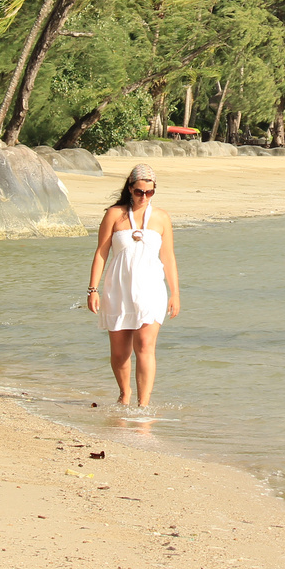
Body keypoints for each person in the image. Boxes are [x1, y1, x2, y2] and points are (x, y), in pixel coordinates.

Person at [86, 163, 180, 406]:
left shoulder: (161, 217)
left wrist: (175, 294)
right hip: (118, 289)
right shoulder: (114, 215)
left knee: (145, 346)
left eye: (149, 192)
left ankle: (144, 404)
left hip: (151, 290)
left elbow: (168, 257)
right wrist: (93, 289)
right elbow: (101, 253)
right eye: (139, 192)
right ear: (130, 189)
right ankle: (125, 393)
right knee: (119, 353)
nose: (144, 197)